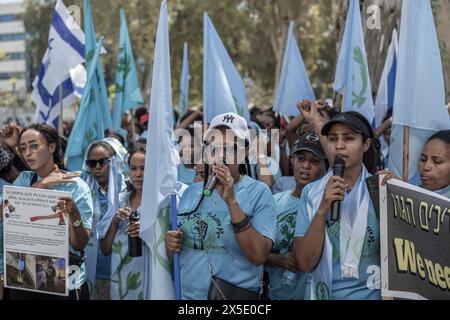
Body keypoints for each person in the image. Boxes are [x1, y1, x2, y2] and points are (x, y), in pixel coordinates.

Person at [165, 112, 276, 300]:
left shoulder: (259, 193)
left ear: (245, 151)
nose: (221, 154)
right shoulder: (191, 193)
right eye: (214, 146)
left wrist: (231, 201)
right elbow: (177, 256)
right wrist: (170, 246)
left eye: (231, 148)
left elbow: (258, 256)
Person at [293, 109, 381, 300]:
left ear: (366, 144)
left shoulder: (380, 191)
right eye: (332, 139)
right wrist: (322, 210)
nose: (339, 146)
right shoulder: (312, 193)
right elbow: (304, 263)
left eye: (348, 138)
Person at [3, 124, 93, 300]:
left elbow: (79, 244)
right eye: (23, 148)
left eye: (34, 145)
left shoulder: (76, 187)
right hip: (24, 278)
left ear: (51, 147)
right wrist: (43, 184)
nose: (28, 152)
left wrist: (74, 216)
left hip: (63, 280)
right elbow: (7, 211)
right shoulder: (24, 179)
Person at [265, 133, 328, 300]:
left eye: (314, 161)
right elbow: (255, 251)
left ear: (326, 167)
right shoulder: (275, 202)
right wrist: (279, 260)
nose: (305, 166)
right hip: (279, 295)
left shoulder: (331, 205)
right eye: (301, 159)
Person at [81, 139, 127, 300]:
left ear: (114, 161)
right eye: (92, 163)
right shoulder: (82, 192)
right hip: (90, 272)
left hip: (123, 271)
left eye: (103, 162)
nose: (98, 168)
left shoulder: (129, 190)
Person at [100, 144, 147, 300]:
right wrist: (114, 222)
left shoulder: (162, 205)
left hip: (149, 283)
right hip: (120, 283)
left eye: (144, 168)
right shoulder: (119, 201)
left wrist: (148, 230)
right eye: (133, 168)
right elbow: (106, 249)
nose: (138, 174)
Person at [381, 130, 450, 198]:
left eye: (437, 161)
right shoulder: (409, 191)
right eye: (423, 159)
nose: (426, 167)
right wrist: (398, 186)